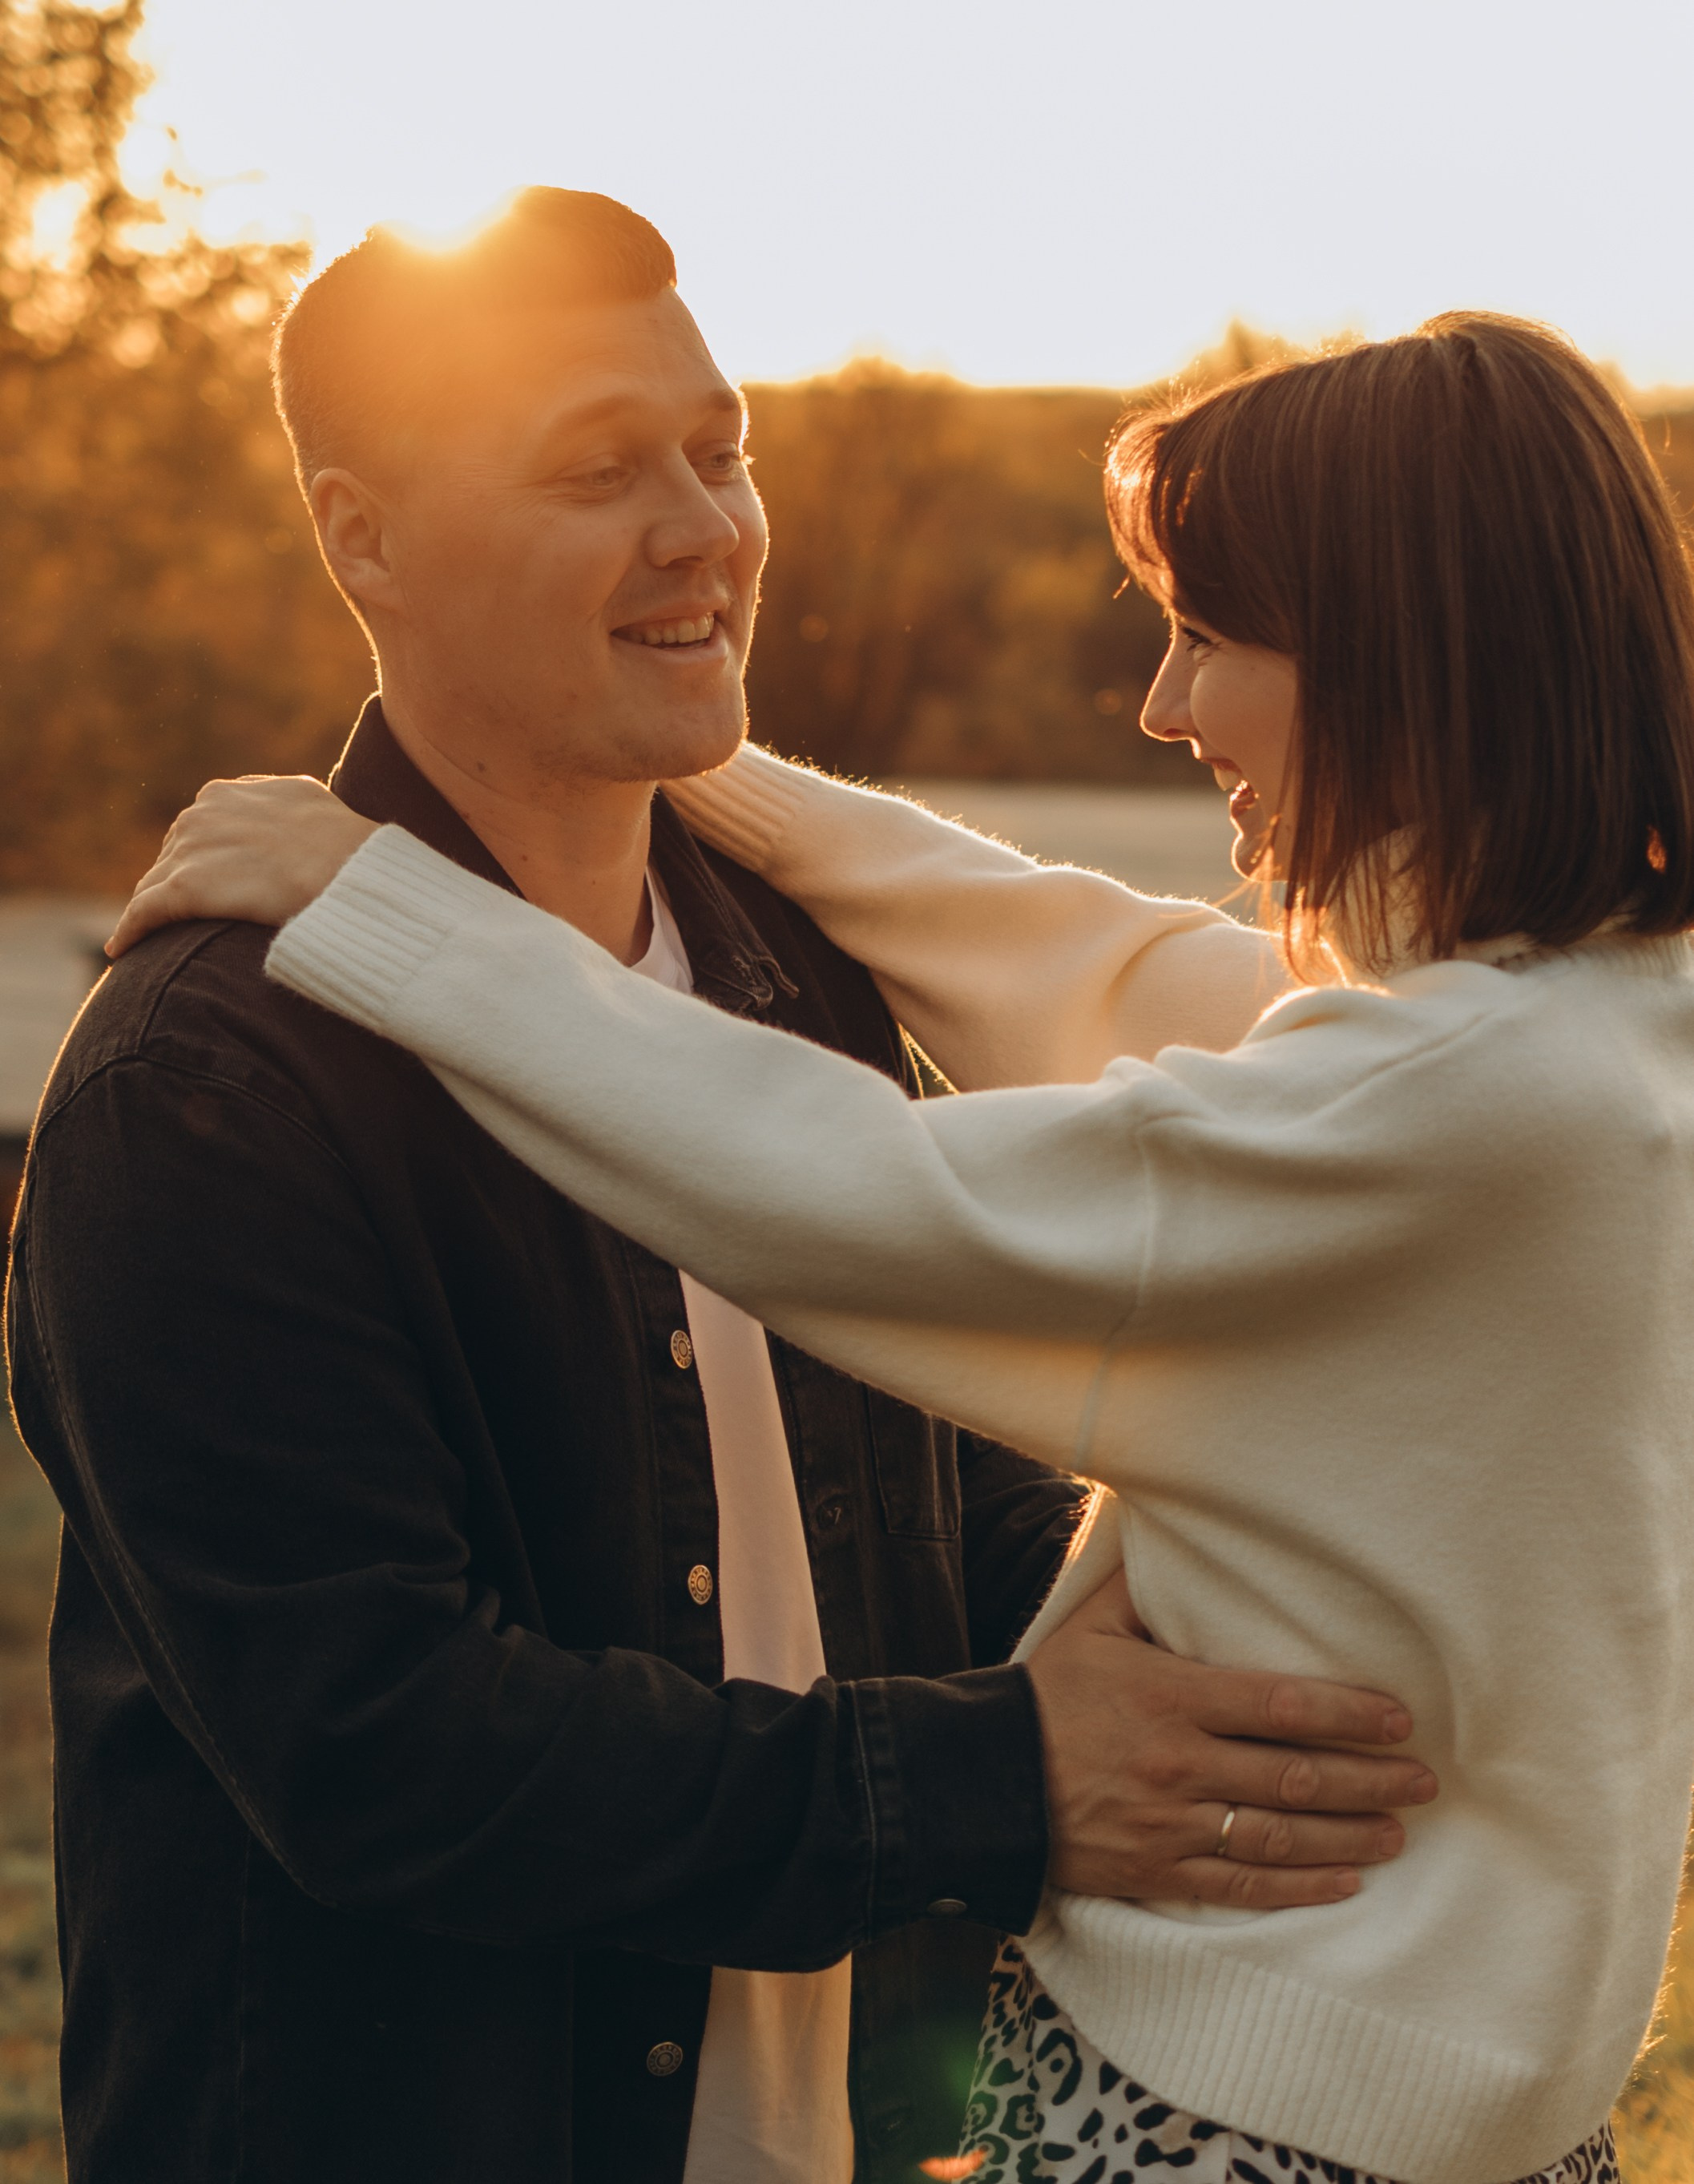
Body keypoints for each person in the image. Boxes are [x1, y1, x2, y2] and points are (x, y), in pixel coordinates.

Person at [111, 310, 1694, 2184]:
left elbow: (858, 1193)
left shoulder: (1460, 1107)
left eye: (1205, 637)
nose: (1163, 708)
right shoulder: (1597, 1029)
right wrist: (690, 761)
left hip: (1255, 2114)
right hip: (1454, 2100)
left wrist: (394, 912)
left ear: (1393, 658)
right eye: (601, 471)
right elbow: (1076, 954)